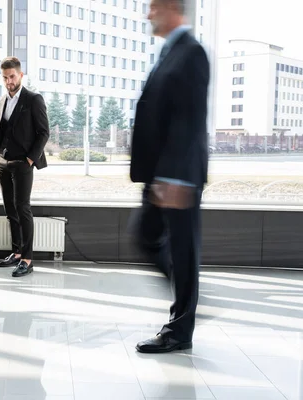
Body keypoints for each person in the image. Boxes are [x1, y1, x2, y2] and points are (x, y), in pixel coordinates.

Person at [130, 0, 210, 353]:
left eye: (153, 7)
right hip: (160, 172)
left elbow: (189, 120)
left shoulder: (191, 52)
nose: (148, 14)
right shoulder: (170, 51)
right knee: (146, 236)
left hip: (177, 176)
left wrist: (177, 178)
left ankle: (180, 328)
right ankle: (188, 295)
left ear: (172, 7)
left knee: (182, 250)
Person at [0, 57, 50, 278]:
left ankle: (27, 259)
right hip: (2, 162)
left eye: (12, 76)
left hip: (22, 163)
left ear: (20, 75)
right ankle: (16, 252)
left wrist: (29, 160)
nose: (9, 81)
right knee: (10, 209)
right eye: (5, 78)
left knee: (22, 208)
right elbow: (1, 130)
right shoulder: (2, 100)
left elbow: (44, 132)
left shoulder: (33, 99)